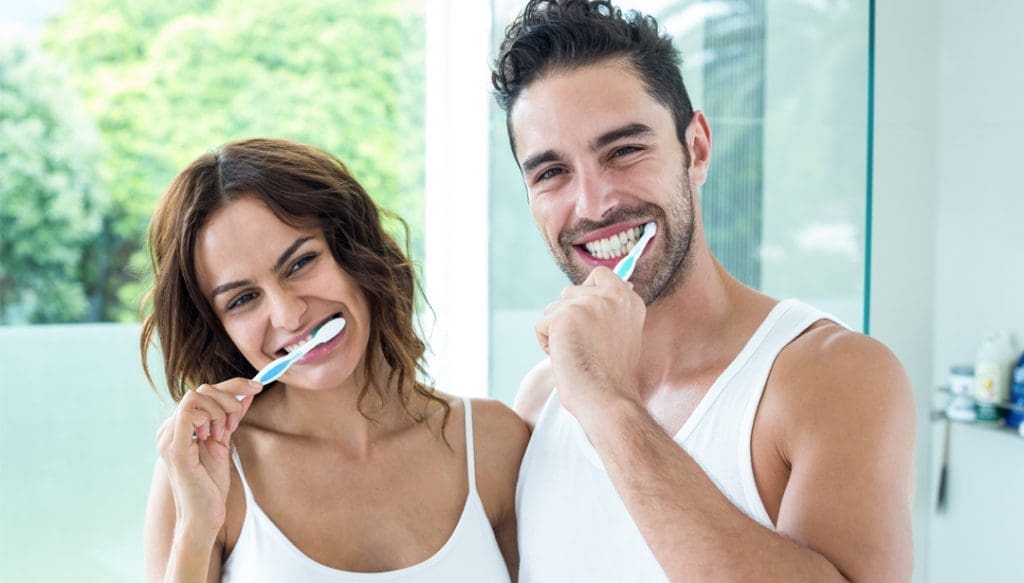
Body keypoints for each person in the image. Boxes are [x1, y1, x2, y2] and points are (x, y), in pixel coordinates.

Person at [491, 1, 915, 581]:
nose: (593, 205)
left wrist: (610, 404)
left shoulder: (833, 377)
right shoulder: (542, 398)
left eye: (623, 150)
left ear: (697, 149)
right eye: (551, 172)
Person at [141, 138, 528, 582]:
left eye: (301, 263)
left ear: (356, 253)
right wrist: (196, 527)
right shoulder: (205, 475)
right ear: (218, 328)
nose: (288, 314)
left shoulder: (494, 443)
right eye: (244, 298)